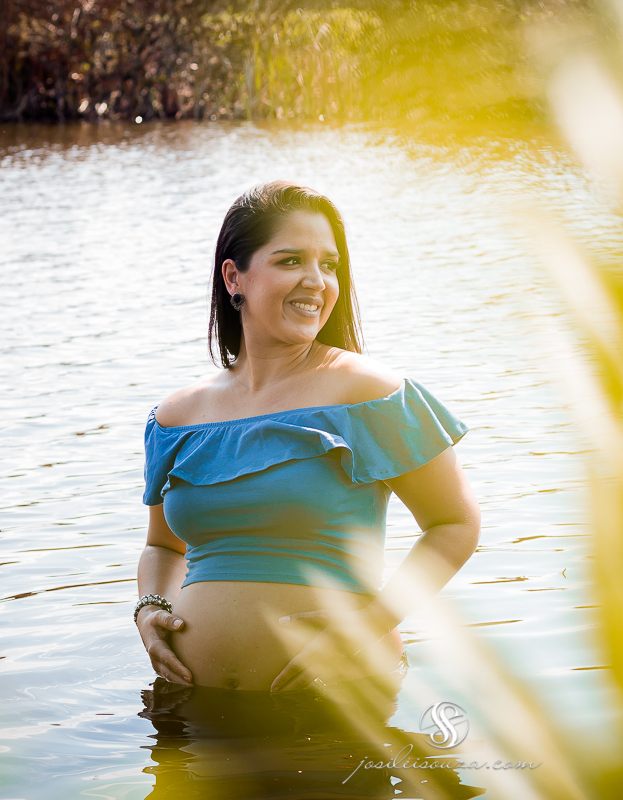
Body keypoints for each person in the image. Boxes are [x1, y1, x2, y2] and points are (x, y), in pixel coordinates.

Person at [135, 181, 481, 693]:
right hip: (187, 711)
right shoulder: (176, 416)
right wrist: (149, 611)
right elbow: (163, 548)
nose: (317, 281)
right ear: (235, 277)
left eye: (330, 265)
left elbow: (454, 524)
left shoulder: (372, 394)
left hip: (337, 706)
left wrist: (368, 624)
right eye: (292, 260)